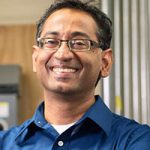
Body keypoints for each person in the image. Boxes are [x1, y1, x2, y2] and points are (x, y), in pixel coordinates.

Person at [0, 0, 150, 149]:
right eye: (51, 41)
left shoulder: (136, 140)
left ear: (105, 63)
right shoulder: (4, 143)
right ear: (35, 58)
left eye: (79, 43)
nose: (63, 54)